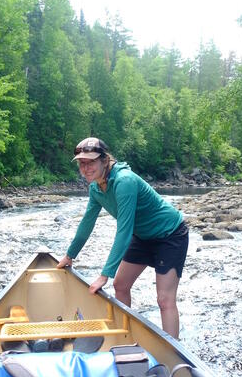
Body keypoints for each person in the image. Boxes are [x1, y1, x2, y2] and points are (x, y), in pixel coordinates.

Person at [56, 137, 189, 338]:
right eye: (82, 163)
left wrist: (105, 274)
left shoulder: (124, 181)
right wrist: (69, 255)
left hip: (169, 235)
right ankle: (126, 336)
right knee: (121, 286)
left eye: (91, 162)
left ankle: (174, 354)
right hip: (143, 236)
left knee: (165, 300)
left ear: (104, 160)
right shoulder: (95, 187)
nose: (86, 168)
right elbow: (87, 222)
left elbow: (124, 231)